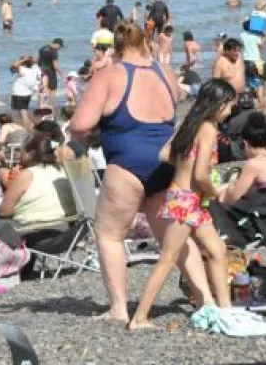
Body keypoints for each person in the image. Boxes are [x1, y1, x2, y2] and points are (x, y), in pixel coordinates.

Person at [70, 22, 213, 322]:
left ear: (116, 48)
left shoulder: (110, 75)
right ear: (146, 43)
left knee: (109, 235)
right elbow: (173, 108)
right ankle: (206, 300)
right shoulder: (165, 73)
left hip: (126, 162)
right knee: (175, 240)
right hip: (165, 163)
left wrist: (96, 132)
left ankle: (119, 308)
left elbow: (80, 125)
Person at [128, 80, 235, 330]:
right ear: (219, 105)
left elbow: (164, 154)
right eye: (229, 105)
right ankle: (139, 318)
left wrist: (184, 162)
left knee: (217, 250)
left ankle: (226, 310)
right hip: (187, 200)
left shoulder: (191, 122)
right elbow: (200, 175)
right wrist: (215, 192)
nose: (231, 110)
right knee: (168, 259)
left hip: (185, 198)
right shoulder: (208, 128)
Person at [0, 132, 69, 227]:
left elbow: (4, 211)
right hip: (65, 227)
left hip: (34, 230)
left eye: (22, 151)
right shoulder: (61, 169)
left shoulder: (27, 175)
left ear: (31, 153)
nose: (20, 155)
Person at [11, 56, 42, 128]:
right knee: (24, 113)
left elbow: (14, 65)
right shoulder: (34, 69)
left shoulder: (23, 70)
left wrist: (23, 59)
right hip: (28, 94)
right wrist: (28, 59)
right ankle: (30, 128)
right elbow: (36, 61)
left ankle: (28, 130)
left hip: (19, 94)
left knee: (23, 115)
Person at [38, 37, 64, 106]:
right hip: (51, 72)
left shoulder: (42, 48)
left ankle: (42, 105)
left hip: (42, 71)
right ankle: (51, 106)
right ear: (57, 44)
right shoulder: (54, 51)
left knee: (43, 89)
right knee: (52, 90)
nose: (59, 48)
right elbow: (55, 66)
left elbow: (39, 61)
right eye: (60, 46)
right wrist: (62, 73)